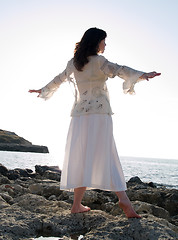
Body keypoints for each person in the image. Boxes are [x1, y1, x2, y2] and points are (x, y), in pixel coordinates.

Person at [29, 27, 161, 218]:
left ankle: (76, 205)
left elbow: (58, 80)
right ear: (96, 41)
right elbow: (120, 70)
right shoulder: (100, 62)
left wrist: (42, 90)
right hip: (99, 114)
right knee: (107, 153)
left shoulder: (74, 63)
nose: (105, 45)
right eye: (104, 41)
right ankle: (124, 200)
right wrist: (143, 74)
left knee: (82, 157)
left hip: (79, 116)